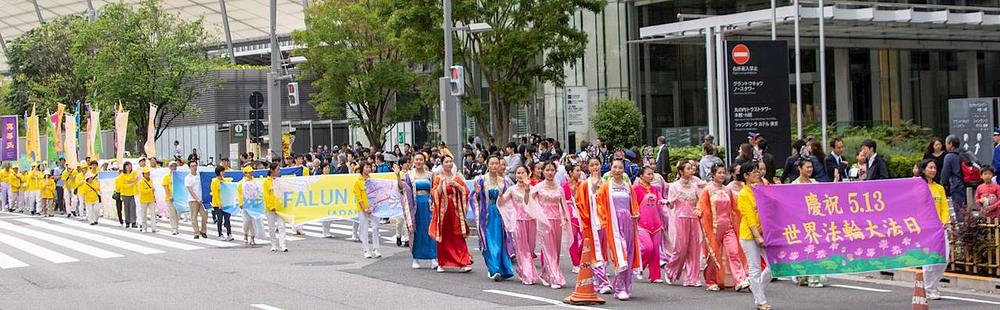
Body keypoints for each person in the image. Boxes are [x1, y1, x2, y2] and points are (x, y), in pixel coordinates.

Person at [593, 159, 640, 300]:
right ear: (610, 169)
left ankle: (625, 286)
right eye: (615, 167)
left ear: (624, 170)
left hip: (628, 222)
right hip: (613, 223)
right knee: (621, 253)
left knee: (629, 254)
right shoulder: (606, 187)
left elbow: (634, 204)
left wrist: (636, 214)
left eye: (620, 167)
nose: (617, 170)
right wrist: (603, 220)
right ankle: (619, 287)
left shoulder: (627, 186)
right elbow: (599, 203)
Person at [563, 157, 607, 306]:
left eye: (597, 164)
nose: (595, 167)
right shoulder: (585, 184)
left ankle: (599, 278)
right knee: (594, 251)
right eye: (592, 165)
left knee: (603, 250)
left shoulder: (606, 183)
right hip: (591, 221)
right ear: (588, 168)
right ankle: (602, 282)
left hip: (604, 221)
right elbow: (579, 202)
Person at [699, 164, 749, 292]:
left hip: (728, 227)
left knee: (733, 252)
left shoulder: (728, 190)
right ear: (713, 174)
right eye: (719, 173)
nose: (722, 175)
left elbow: (735, 208)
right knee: (713, 255)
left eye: (723, 173)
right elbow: (703, 208)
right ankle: (711, 281)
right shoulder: (707, 190)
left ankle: (740, 280)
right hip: (713, 228)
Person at [470, 156, 515, 281]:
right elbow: (473, 198)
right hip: (486, 214)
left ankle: (502, 269)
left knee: (500, 242)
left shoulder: (505, 181)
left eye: (497, 163)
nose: (495, 166)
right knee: (489, 242)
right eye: (492, 163)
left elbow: (509, 198)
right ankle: (493, 269)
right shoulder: (481, 180)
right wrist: (478, 193)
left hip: (500, 213)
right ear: (487, 165)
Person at [664, 160, 705, 287]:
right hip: (680, 218)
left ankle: (692, 278)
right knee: (680, 248)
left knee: (694, 249)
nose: (691, 170)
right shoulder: (675, 186)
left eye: (691, 168)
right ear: (681, 171)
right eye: (688, 168)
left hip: (693, 218)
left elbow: (699, 201)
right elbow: (671, 204)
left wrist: (698, 209)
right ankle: (670, 269)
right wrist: (669, 202)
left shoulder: (694, 186)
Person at [530, 161, 570, 289]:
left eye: (552, 170)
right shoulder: (538, 187)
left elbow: (564, 205)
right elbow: (528, 201)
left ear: (556, 171)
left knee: (556, 250)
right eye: (547, 170)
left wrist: (565, 219)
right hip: (544, 221)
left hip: (557, 221)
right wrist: (536, 214)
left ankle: (546, 274)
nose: (550, 172)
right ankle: (555, 278)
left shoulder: (559, 188)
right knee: (548, 250)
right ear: (543, 171)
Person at [737, 161, 771, 310]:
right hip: (749, 235)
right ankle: (760, 301)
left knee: (773, 266)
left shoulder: (759, 190)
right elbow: (750, 218)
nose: (758, 174)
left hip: (764, 232)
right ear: (746, 176)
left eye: (758, 171)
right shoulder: (744, 194)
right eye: (754, 172)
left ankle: (756, 288)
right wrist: (757, 236)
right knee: (755, 268)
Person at [430, 155, 472, 273]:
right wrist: (440, 186)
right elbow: (434, 194)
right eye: (446, 161)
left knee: (458, 236)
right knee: (443, 236)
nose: (449, 164)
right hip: (443, 212)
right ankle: (441, 262)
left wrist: (457, 186)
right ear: (442, 164)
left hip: (455, 211)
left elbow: (466, 191)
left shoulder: (457, 178)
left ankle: (463, 262)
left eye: (450, 162)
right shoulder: (438, 178)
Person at [789, 159, 827, 287]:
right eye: (807, 167)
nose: (810, 169)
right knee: (803, 249)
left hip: (814, 222)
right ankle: (801, 274)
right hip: (800, 222)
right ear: (800, 168)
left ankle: (813, 278)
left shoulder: (815, 183)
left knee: (815, 248)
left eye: (811, 167)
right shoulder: (793, 185)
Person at [918, 159, 951, 300]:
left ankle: (933, 284)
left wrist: (944, 221)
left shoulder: (939, 188)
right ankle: (929, 288)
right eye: (930, 167)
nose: (933, 170)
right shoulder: (918, 187)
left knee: (944, 258)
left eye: (934, 168)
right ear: (924, 169)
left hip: (939, 228)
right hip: (926, 229)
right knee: (929, 260)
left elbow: (944, 207)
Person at [500, 165, 539, 283]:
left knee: (530, 248)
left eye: (523, 172)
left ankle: (523, 270)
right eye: (518, 173)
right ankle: (528, 275)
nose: (520, 175)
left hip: (531, 220)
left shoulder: (532, 189)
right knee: (522, 249)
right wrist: (499, 194)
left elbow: (528, 202)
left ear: (528, 174)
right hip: (518, 221)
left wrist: (527, 190)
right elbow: (502, 202)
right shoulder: (512, 189)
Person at [402, 152, 438, 269]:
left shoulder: (430, 175)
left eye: (421, 159)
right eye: (416, 159)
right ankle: (416, 258)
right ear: (413, 161)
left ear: (424, 160)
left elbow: (434, 191)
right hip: (415, 207)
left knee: (431, 231)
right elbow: (403, 190)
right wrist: (398, 176)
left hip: (428, 206)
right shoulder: (409, 175)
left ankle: (433, 257)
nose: (418, 161)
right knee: (417, 231)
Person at [633, 167, 665, 283]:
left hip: (656, 223)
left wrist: (664, 202)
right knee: (647, 247)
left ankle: (655, 276)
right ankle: (638, 266)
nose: (651, 176)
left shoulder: (655, 189)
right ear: (641, 176)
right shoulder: (636, 189)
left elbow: (660, 202)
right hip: (642, 224)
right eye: (648, 174)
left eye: (652, 174)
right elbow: (633, 205)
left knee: (656, 250)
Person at [354, 161, 382, 258]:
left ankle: (376, 248)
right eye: (366, 167)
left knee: (375, 228)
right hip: (363, 209)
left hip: (374, 208)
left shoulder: (373, 181)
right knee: (364, 229)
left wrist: (374, 206)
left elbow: (376, 194)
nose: (368, 169)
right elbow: (359, 197)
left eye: (369, 167)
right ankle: (366, 250)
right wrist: (364, 208)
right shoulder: (358, 182)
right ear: (362, 168)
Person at [563, 163, 584, 274]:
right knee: (574, 236)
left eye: (580, 170)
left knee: (585, 236)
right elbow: (564, 200)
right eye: (577, 170)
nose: (579, 172)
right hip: (571, 211)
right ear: (571, 172)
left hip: (581, 210)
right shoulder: (565, 185)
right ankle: (575, 262)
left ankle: (581, 258)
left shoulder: (582, 184)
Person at [940, 135, 967, 218]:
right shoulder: (966, 153)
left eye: (946, 144)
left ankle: (963, 229)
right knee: (969, 210)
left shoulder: (949, 156)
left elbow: (945, 175)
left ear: (950, 144)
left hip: (957, 186)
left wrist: (943, 185)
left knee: (959, 211)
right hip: (970, 185)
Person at [263, 163, 288, 252]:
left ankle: (283, 244)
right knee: (271, 227)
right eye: (277, 169)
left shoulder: (280, 180)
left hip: (280, 207)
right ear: (272, 170)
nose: (279, 171)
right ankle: (273, 244)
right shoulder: (266, 182)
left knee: (282, 226)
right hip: (270, 209)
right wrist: (270, 206)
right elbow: (266, 196)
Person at [185, 161, 209, 239]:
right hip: (193, 199)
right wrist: (197, 198)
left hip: (202, 199)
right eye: (192, 166)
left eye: (195, 166)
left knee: (205, 215)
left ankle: (203, 231)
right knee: (193, 216)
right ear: (189, 167)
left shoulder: (200, 175)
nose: (194, 167)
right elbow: (190, 190)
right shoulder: (188, 177)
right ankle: (196, 232)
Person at [210, 165, 233, 241]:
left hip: (226, 203)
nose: (223, 173)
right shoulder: (214, 181)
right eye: (222, 171)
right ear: (218, 172)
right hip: (217, 204)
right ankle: (220, 234)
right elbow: (215, 194)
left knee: (227, 219)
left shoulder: (225, 181)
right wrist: (219, 204)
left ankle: (229, 234)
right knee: (220, 219)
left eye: (224, 171)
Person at [237, 166, 258, 246]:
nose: (251, 174)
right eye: (249, 172)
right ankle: (245, 233)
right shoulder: (241, 183)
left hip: (253, 204)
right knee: (246, 221)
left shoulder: (255, 181)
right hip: (245, 204)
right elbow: (239, 194)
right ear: (245, 173)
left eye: (252, 172)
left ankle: (252, 237)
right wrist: (241, 203)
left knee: (253, 221)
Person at [115, 161, 138, 228]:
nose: (129, 167)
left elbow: (136, 179)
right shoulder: (122, 175)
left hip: (133, 193)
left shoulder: (134, 173)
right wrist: (130, 184)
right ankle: (127, 222)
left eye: (130, 165)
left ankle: (133, 222)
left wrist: (131, 183)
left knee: (133, 207)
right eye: (127, 166)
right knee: (126, 208)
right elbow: (121, 185)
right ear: (124, 167)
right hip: (125, 194)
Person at [137, 167, 157, 233]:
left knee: (153, 214)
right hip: (144, 200)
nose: (148, 174)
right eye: (146, 173)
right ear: (143, 174)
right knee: (143, 214)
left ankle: (153, 228)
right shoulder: (141, 182)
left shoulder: (151, 180)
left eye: (148, 173)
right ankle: (144, 228)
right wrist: (150, 190)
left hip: (151, 199)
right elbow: (142, 191)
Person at [163, 161, 180, 235]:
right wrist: (169, 196)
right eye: (172, 166)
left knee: (178, 214)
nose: (174, 167)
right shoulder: (166, 177)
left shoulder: (179, 176)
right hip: (170, 198)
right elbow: (165, 187)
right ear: (169, 167)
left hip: (178, 198)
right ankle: (174, 228)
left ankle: (176, 226)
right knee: (172, 214)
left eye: (175, 166)